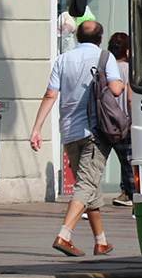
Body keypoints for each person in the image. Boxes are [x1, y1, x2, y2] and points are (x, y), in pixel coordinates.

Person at [29, 19, 124, 257]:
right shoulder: (105, 57)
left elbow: (51, 94)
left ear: (78, 38)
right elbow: (116, 89)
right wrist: (119, 81)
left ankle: (101, 241)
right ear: (101, 39)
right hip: (94, 131)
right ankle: (64, 235)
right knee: (85, 185)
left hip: (69, 132)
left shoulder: (63, 59)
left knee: (90, 185)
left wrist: (37, 127)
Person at [107, 32, 134, 208]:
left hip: (107, 122)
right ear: (127, 51)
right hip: (125, 121)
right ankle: (131, 195)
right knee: (128, 161)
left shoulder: (106, 70)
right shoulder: (130, 70)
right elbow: (130, 98)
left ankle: (88, 200)